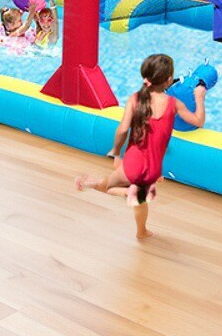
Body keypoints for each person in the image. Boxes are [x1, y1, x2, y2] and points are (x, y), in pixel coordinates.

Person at [75, 54, 206, 239]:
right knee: (139, 200)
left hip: (132, 161)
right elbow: (198, 121)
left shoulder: (135, 99)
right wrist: (199, 97)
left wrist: (117, 153)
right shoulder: (173, 104)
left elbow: (122, 130)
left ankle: (102, 186)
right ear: (169, 80)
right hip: (151, 168)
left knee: (110, 185)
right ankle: (140, 229)